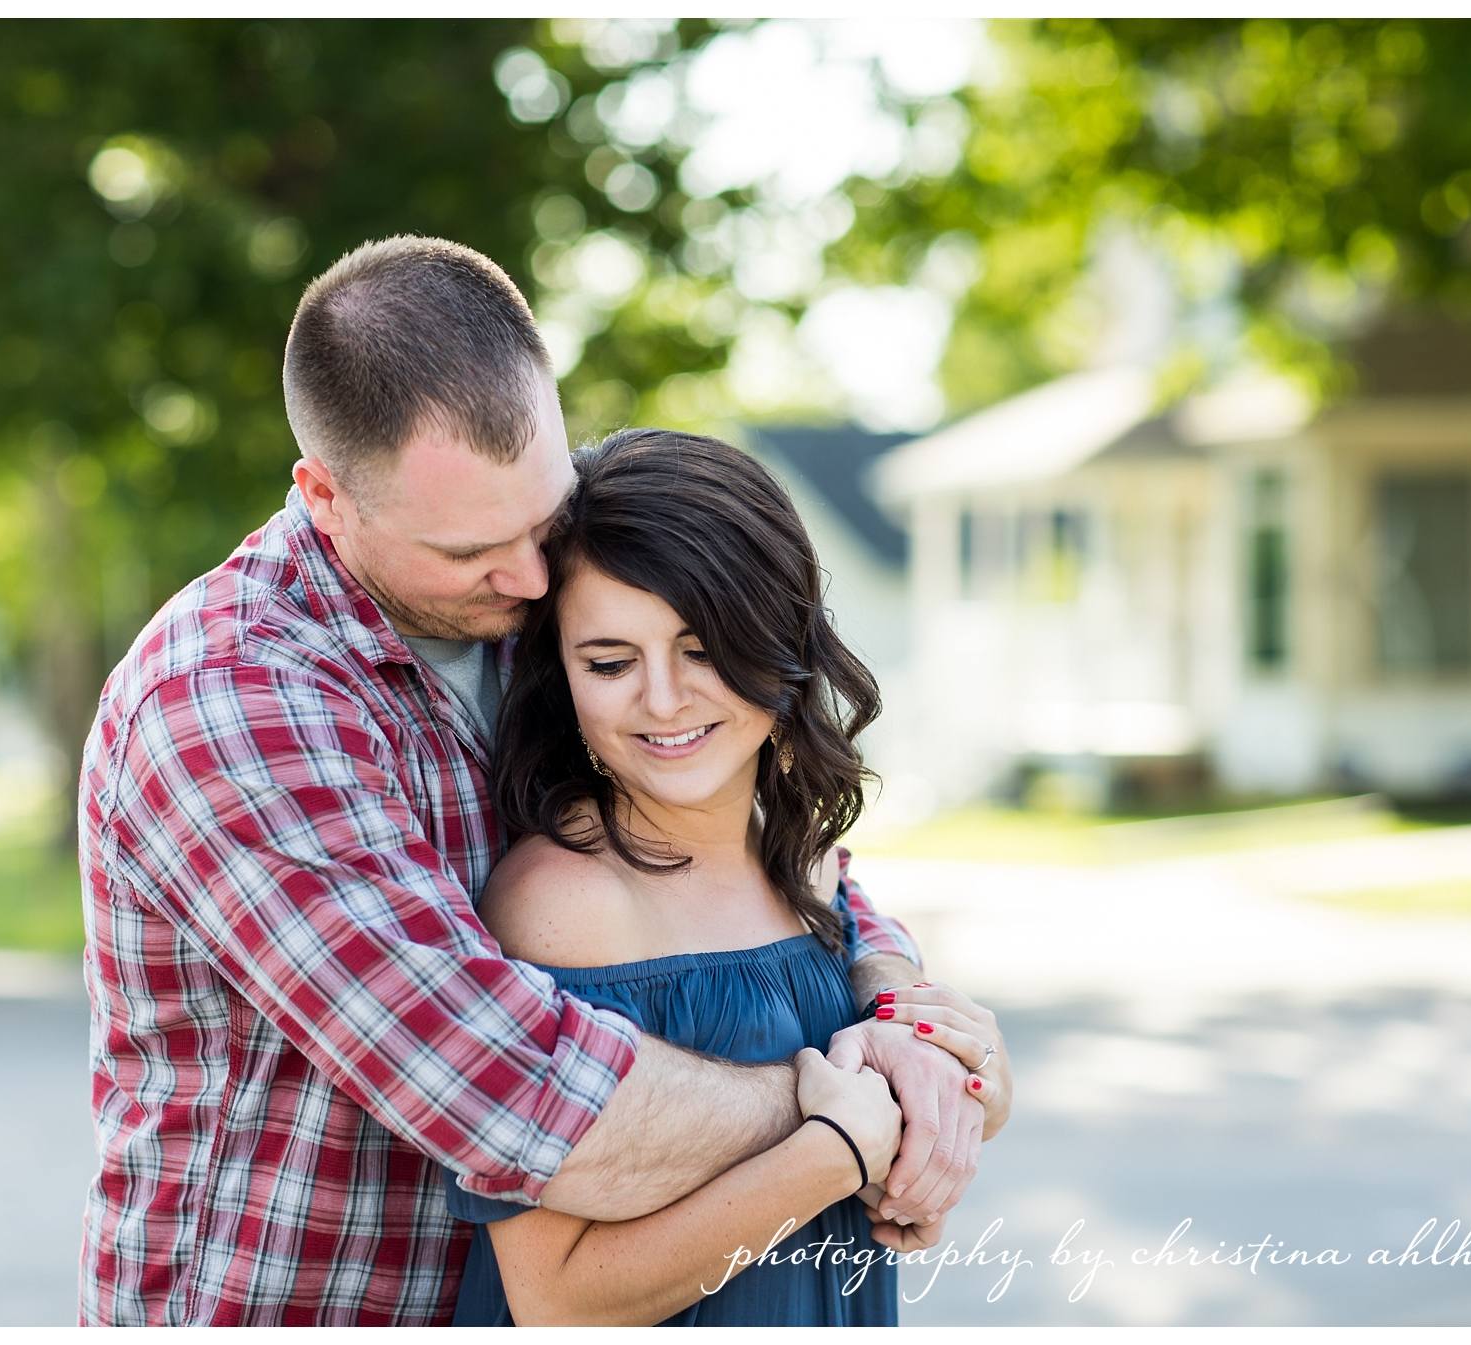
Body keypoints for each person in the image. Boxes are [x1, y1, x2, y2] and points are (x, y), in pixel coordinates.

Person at [76, 236, 1011, 1326]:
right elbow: (507, 1093)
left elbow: (745, 838)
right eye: (473, 549)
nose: (529, 579)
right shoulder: (227, 702)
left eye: (542, 516)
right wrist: (847, 1113)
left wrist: (895, 1004)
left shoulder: (542, 602)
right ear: (324, 498)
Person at [440, 429, 1011, 1326]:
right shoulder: (564, 901)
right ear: (565, 679)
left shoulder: (802, 853)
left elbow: (975, 1093)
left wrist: (956, 1078)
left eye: (703, 648)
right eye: (611, 661)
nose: (663, 700)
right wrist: (834, 1152)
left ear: (776, 638)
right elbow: (556, 1297)